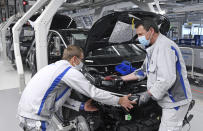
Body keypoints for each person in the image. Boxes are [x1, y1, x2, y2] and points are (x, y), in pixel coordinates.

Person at [17, 45, 135, 131]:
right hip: (35, 119)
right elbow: (93, 92)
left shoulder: (56, 67)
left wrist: (82, 106)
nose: (82, 63)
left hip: (27, 114)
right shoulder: (69, 72)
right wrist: (119, 100)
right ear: (74, 59)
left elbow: (57, 98)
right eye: (82, 59)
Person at [109, 20, 192, 131]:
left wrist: (147, 94)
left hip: (174, 102)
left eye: (140, 34)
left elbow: (166, 79)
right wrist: (120, 78)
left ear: (151, 31)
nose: (138, 38)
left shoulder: (164, 47)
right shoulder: (153, 48)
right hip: (164, 99)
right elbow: (142, 71)